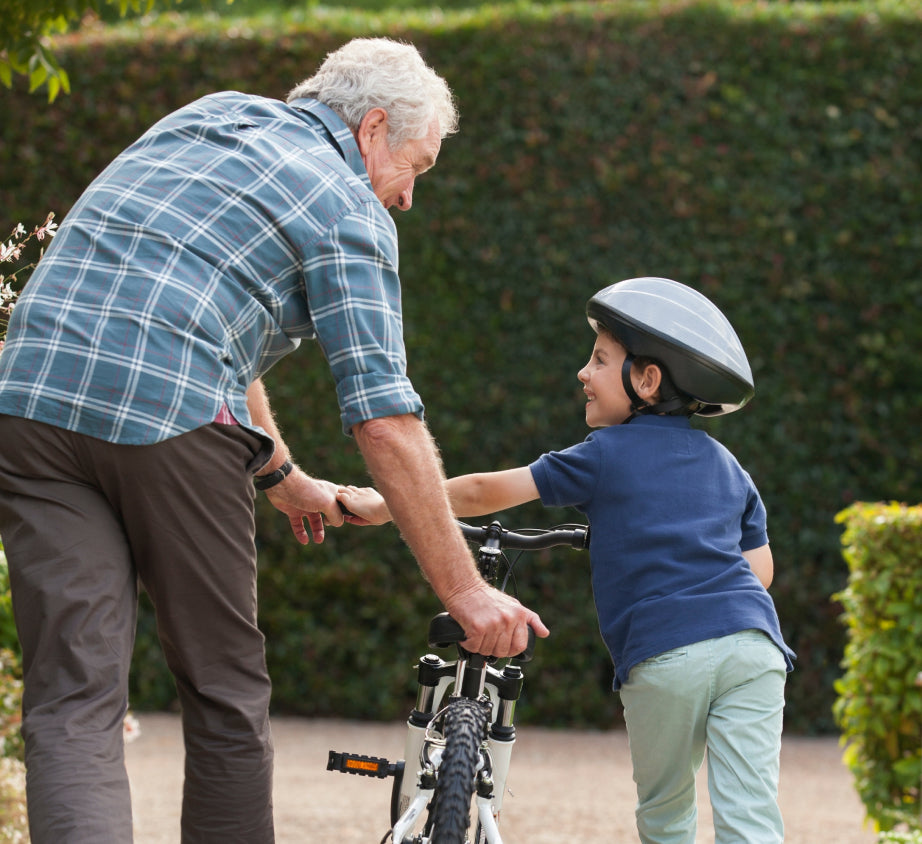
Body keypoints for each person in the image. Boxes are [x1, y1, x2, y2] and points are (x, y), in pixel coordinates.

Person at [0, 37, 546, 844]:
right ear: (371, 130)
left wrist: (283, 475)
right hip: (171, 419)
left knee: (72, 698)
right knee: (225, 693)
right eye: (416, 168)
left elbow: (193, 303)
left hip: (29, 403)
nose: (406, 199)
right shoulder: (347, 205)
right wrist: (465, 594)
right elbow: (384, 421)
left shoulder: (208, 118)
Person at [340, 276, 796, 844]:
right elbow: (760, 569)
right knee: (751, 812)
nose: (584, 372)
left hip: (667, 652)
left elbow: (484, 492)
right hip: (754, 646)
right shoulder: (730, 465)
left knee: (666, 808)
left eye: (600, 360)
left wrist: (387, 504)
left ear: (647, 381)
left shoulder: (604, 455)